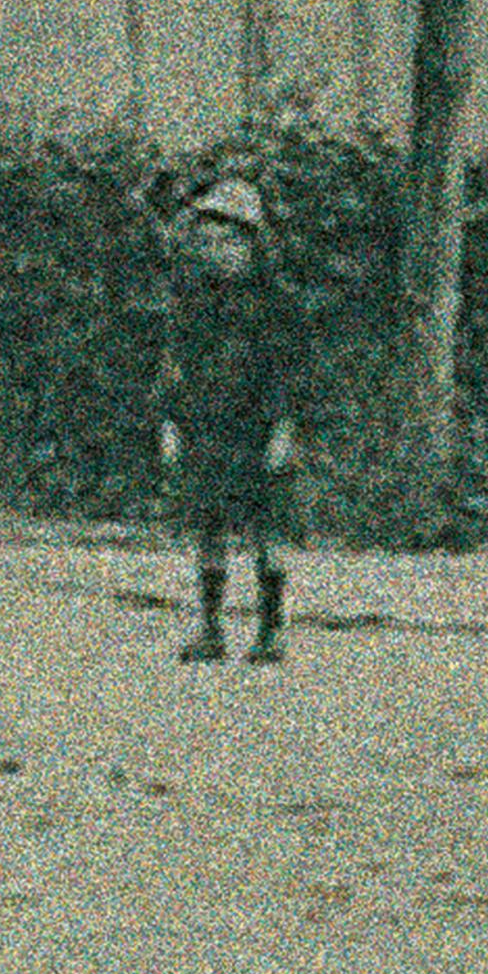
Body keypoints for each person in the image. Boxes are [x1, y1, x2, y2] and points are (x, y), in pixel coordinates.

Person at [156, 172, 305, 664]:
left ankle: (270, 629)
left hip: (257, 424)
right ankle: (211, 627)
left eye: (227, 234)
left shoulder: (271, 301)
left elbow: (287, 368)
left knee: (267, 529)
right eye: (207, 233)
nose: (215, 244)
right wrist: (172, 422)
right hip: (206, 423)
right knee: (209, 524)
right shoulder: (192, 300)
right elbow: (176, 367)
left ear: (250, 240)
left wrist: (283, 427)